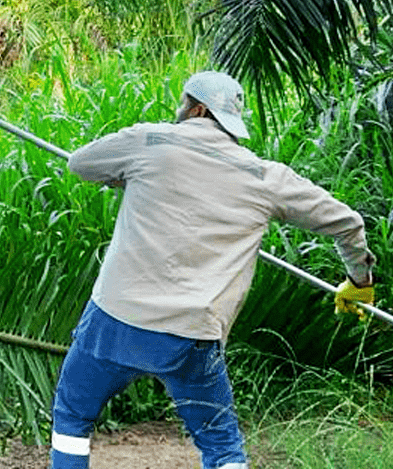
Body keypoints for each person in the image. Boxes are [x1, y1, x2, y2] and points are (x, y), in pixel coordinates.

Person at [51, 70, 376, 469]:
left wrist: (124, 176)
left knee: (72, 417)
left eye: (183, 103)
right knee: (222, 448)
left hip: (116, 321)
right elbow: (348, 223)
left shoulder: (149, 142)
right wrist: (359, 282)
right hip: (194, 334)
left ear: (197, 108)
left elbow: (80, 164)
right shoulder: (265, 177)